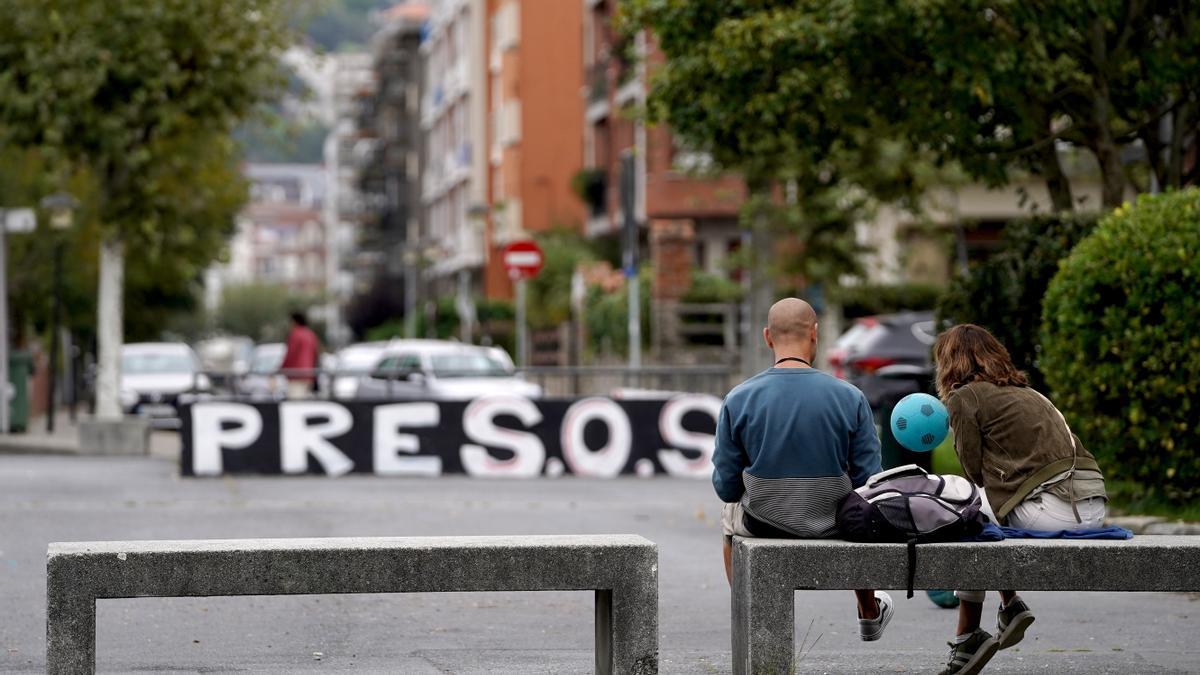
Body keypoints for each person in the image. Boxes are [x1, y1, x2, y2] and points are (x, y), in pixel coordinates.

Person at [713, 297, 893, 641]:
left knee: (728, 512)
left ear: (767, 337)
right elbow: (869, 480)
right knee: (858, 503)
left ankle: (751, 616)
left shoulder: (738, 398)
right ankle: (869, 610)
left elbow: (725, 486)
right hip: (834, 522)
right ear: (815, 335)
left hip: (762, 522)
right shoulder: (850, 397)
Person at [933, 324, 1108, 675]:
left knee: (966, 509)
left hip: (1056, 509)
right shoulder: (1030, 393)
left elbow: (974, 472)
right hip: (1094, 505)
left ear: (949, 362)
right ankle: (1010, 604)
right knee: (985, 511)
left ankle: (969, 634)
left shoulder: (963, 397)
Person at [280, 311, 320, 400]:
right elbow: (316, 355)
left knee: (295, 403)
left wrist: (281, 369)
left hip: (296, 375)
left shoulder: (295, 335)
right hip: (309, 374)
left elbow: (290, 355)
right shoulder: (311, 334)